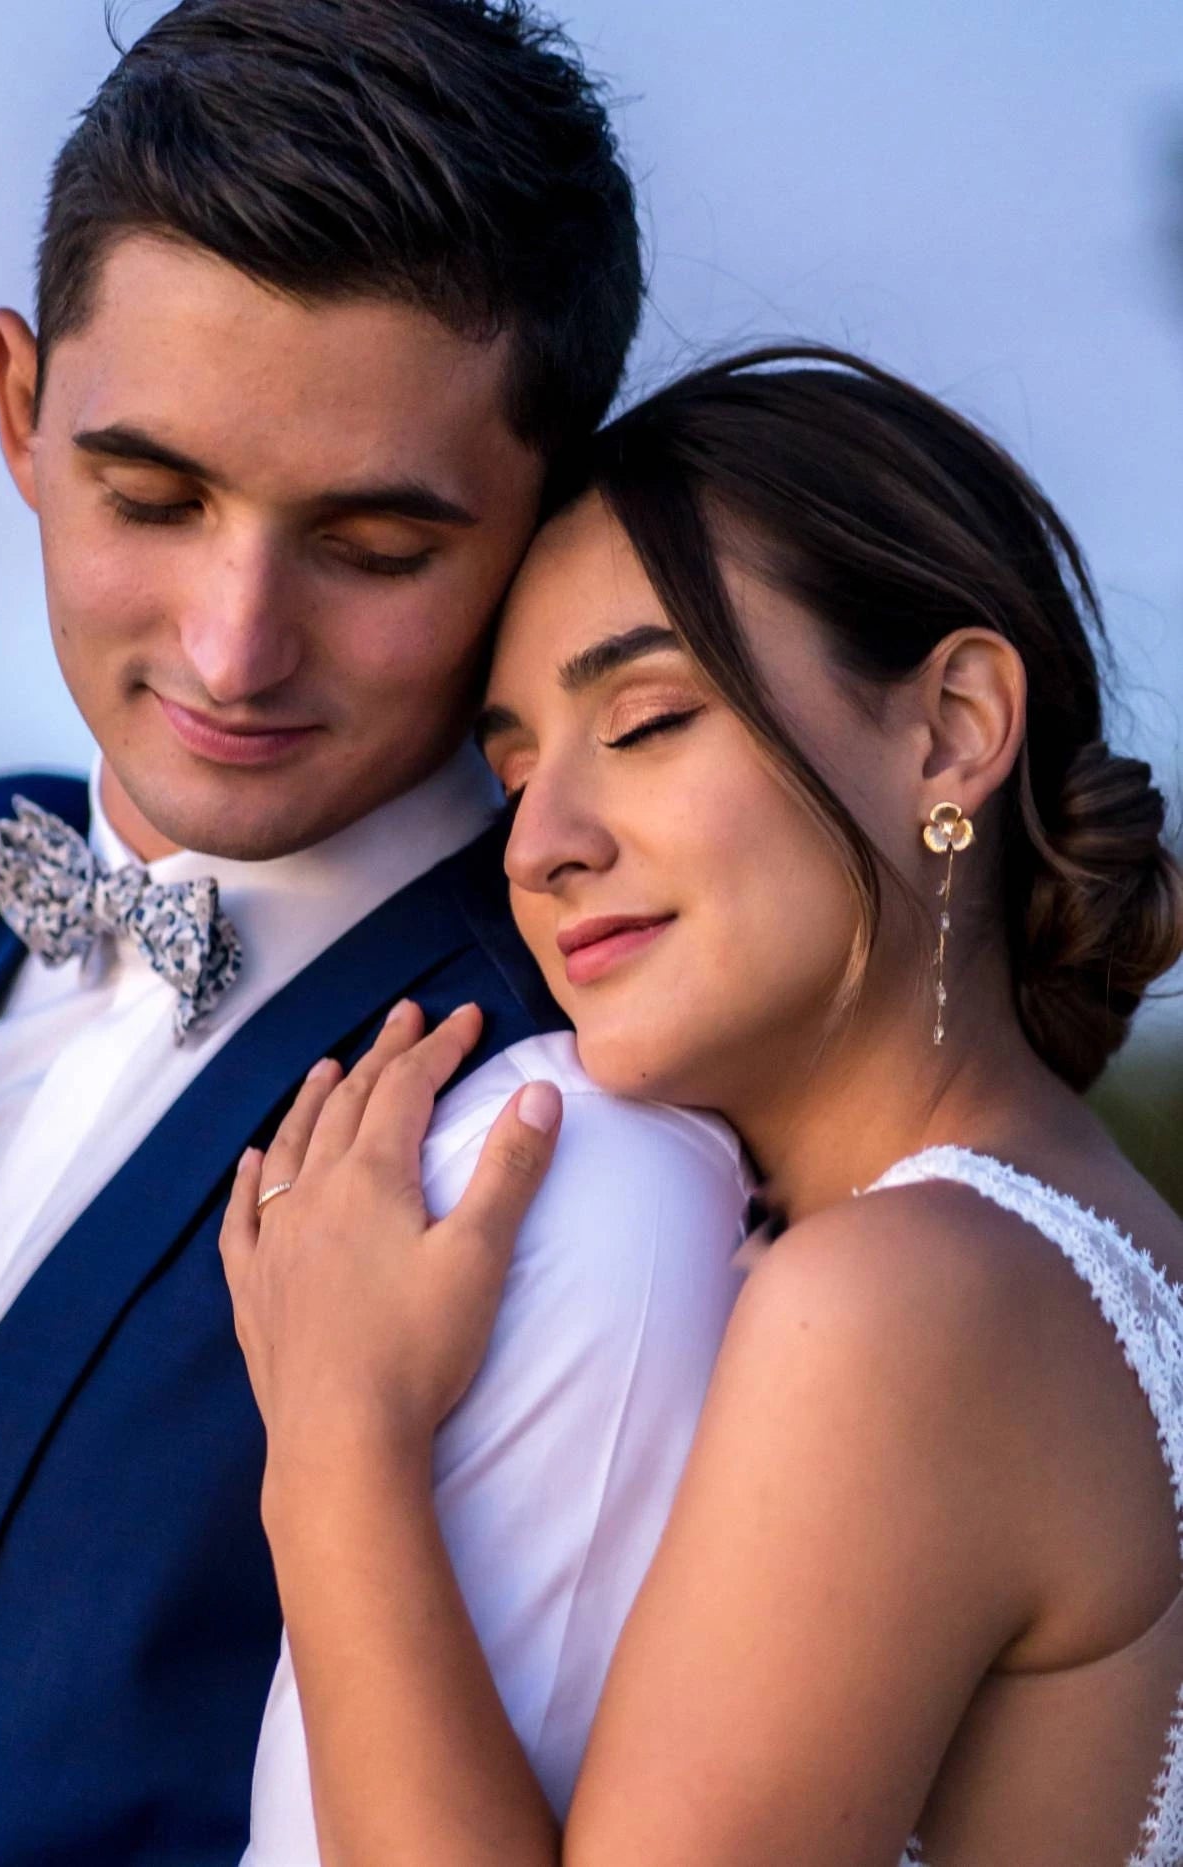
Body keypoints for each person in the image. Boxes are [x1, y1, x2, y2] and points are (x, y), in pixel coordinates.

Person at [0, 6, 751, 1863]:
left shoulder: (566, 1158)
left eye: (375, 549)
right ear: (16, 407)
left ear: (545, 521)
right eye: (151, 497)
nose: (235, 649)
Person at [222, 345, 1183, 1866]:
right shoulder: (1083, 1253)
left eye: (649, 721)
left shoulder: (904, 1302)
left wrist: (336, 1443)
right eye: (513, 767)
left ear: (948, 729)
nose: (538, 846)